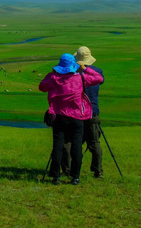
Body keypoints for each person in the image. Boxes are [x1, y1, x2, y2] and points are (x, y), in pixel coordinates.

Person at [39, 53, 104, 185]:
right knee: (76, 148)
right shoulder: (80, 77)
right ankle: (75, 177)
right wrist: (85, 68)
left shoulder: (53, 78)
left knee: (57, 146)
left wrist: (51, 72)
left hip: (59, 117)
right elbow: (99, 79)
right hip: (77, 118)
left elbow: (42, 87)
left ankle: (56, 177)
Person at [75, 46, 105, 178]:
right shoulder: (97, 71)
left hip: (77, 112)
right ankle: (98, 170)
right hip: (93, 111)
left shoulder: (74, 72)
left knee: (74, 141)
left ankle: (71, 168)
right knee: (94, 143)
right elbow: (101, 81)